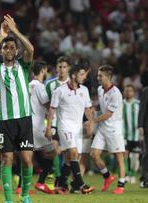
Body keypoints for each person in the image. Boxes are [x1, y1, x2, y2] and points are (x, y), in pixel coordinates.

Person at [0, 14, 34, 203]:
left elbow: (30, 48)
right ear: (2, 51)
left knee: (27, 160)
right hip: (6, 121)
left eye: (12, 47)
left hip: (24, 119)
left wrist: (15, 32)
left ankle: (25, 194)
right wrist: (1, 37)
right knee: (7, 159)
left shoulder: (23, 66)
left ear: (16, 51)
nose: (9, 49)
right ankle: (8, 200)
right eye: (6, 48)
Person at [45, 64, 95, 194]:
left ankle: (61, 183)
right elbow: (52, 110)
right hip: (64, 126)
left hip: (77, 127)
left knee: (71, 157)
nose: (84, 77)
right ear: (74, 75)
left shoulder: (84, 90)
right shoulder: (60, 91)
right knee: (73, 153)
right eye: (82, 74)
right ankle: (81, 184)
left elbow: (88, 109)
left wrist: (91, 124)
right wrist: (48, 128)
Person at [90, 65, 126, 194]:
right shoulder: (100, 89)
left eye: (101, 75)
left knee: (119, 157)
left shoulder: (116, 93)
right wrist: (95, 107)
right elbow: (102, 106)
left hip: (114, 129)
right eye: (98, 75)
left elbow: (108, 114)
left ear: (108, 77)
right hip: (103, 127)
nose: (98, 77)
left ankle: (121, 186)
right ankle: (108, 176)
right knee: (94, 154)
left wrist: (92, 121)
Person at [29, 61, 59, 194]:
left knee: (27, 155)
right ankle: (42, 181)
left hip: (27, 124)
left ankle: (25, 184)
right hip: (38, 125)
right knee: (53, 151)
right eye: (45, 71)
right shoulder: (40, 87)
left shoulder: (28, 85)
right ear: (42, 71)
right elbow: (48, 106)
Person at [44, 56, 71, 187]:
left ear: (68, 68)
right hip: (54, 120)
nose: (61, 69)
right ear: (56, 68)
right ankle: (57, 176)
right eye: (59, 67)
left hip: (69, 121)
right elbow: (45, 103)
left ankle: (62, 180)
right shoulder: (50, 84)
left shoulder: (73, 83)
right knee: (55, 148)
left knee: (68, 153)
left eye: (64, 67)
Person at [122, 85, 141, 184]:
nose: (128, 93)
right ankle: (125, 175)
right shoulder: (120, 104)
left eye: (130, 91)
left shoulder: (138, 104)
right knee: (124, 155)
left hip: (136, 135)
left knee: (134, 157)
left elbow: (142, 118)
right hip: (123, 135)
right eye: (126, 91)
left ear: (133, 93)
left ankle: (132, 174)